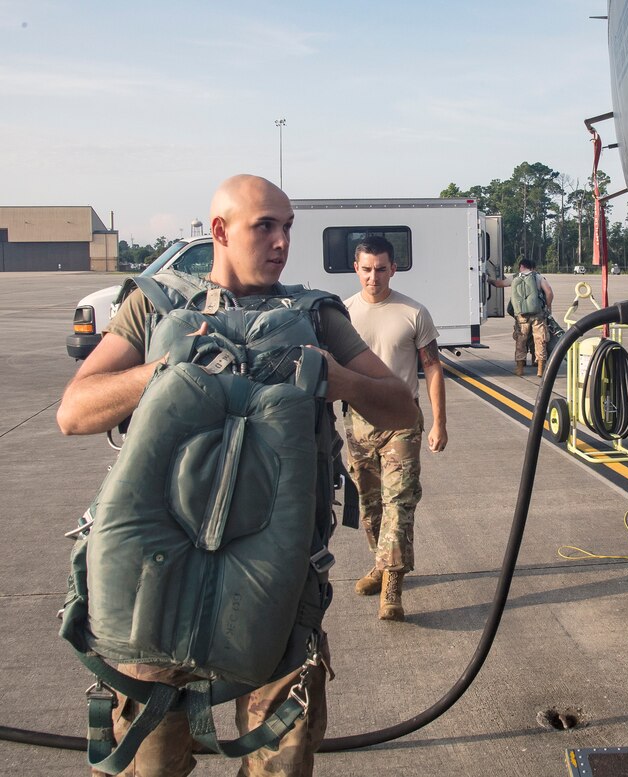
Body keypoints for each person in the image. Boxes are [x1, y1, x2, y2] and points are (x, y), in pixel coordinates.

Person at [56, 174, 417, 777]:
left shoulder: (317, 316)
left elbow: (401, 407)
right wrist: (163, 373)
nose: (281, 242)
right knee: (145, 759)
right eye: (265, 226)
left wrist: (338, 378)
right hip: (156, 567)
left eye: (288, 228)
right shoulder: (156, 304)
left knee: (284, 753)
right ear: (220, 230)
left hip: (275, 571)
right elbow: (74, 411)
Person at [343, 236, 447, 621]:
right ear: (357, 268)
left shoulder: (413, 312)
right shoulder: (342, 314)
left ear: (393, 269)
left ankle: (393, 586)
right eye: (367, 269)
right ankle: (381, 563)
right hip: (358, 423)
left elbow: (433, 367)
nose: (374, 277)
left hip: (403, 421)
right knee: (370, 507)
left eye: (381, 269)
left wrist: (440, 422)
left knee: (399, 504)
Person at [487, 257, 554, 376]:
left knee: (521, 340)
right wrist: (548, 306)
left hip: (521, 316)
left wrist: (488, 279)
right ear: (531, 267)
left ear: (521, 266)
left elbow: (498, 284)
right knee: (540, 340)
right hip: (537, 315)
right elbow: (548, 292)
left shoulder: (514, 277)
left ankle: (519, 369)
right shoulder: (538, 277)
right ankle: (540, 369)